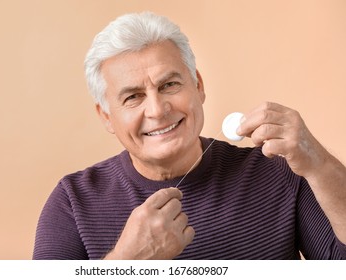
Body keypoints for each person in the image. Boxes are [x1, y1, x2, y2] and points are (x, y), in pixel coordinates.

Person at [33, 11, 346, 260]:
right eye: (133, 97)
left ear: (198, 85)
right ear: (106, 117)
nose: (157, 110)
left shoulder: (278, 172)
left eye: (169, 85)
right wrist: (127, 264)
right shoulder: (72, 202)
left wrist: (319, 162)